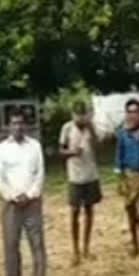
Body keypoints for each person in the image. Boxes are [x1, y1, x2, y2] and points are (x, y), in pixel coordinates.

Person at [0, 110, 49, 276]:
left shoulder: (34, 146)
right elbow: (0, 177)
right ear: (9, 126)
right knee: (11, 245)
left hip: (32, 202)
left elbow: (40, 173)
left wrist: (30, 194)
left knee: (37, 243)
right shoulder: (2, 148)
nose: (17, 126)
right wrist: (12, 196)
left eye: (20, 123)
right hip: (11, 204)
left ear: (25, 125)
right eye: (14, 123)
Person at [59, 102, 101, 266]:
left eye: (83, 115)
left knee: (90, 210)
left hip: (91, 174)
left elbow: (99, 147)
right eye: (77, 115)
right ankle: (75, 250)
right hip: (75, 176)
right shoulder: (67, 128)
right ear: (72, 115)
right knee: (75, 211)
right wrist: (72, 152)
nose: (80, 118)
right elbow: (60, 151)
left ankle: (86, 248)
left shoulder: (91, 127)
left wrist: (91, 130)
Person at [115, 99, 139, 257]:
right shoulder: (123, 134)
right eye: (129, 112)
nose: (132, 115)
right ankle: (135, 243)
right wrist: (120, 178)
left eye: (135, 111)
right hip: (130, 175)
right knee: (130, 210)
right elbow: (119, 156)